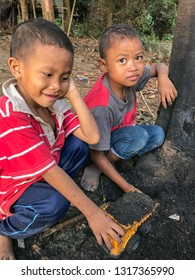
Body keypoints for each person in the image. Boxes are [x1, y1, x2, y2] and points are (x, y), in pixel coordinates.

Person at [0, 19, 125, 260]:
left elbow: (92, 136)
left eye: (64, 77)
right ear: (17, 68)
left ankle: (56, 190)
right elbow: (50, 171)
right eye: (48, 74)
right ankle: (5, 229)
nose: (56, 85)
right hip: (13, 186)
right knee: (55, 204)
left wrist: (73, 92)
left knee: (79, 145)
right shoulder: (10, 117)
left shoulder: (53, 103)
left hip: (42, 167)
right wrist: (93, 213)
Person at [81, 23, 178, 193]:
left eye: (138, 57)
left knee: (157, 134)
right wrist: (127, 188)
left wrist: (163, 78)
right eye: (122, 60)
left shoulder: (129, 77)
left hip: (122, 135)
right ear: (103, 65)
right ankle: (96, 168)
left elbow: (160, 66)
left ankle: (120, 157)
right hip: (93, 148)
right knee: (138, 137)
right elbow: (96, 152)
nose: (133, 67)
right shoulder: (102, 106)